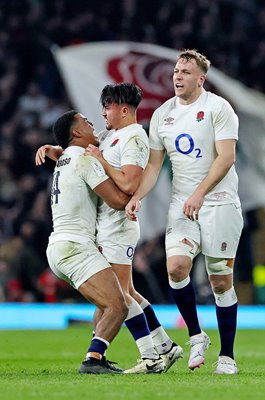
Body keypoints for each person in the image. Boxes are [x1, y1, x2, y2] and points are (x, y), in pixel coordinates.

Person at [36, 83, 183, 374]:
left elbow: (128, 185)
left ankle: (146, 356)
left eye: (107, 107)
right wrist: (55, 148)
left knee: (118, 299)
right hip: (95, 233)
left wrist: (100, 161)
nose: (100, 113)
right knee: (123, 294)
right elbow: (79, 148)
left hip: (117, 227)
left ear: (123, 109)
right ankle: (164, 347)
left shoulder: (134, 138)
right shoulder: (109, 136)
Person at [125, 50, 244, 375]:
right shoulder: (163, 115)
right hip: (183, 205)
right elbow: (153, 166)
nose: (178, 76)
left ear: (200, 79)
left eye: (186, 72)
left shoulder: (218, 108)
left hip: (218, 202)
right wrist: (138, 196)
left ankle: (227, 356)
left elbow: (226, 157)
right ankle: (196, 335)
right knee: (176, 268)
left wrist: (200, 193)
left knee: (220, 282)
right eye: (177, 71)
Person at [45, 110, 129, 374]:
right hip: (75, 247)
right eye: (85, 121)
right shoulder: (84, 160)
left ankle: (97, 357)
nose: (91, 123)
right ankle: (92, 359)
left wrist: (52, 148)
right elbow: (117, 201)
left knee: (105, 305)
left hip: (61, 246)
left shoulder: (66, 158)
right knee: (119, 306)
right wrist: (116, 171)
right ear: (77, 133)